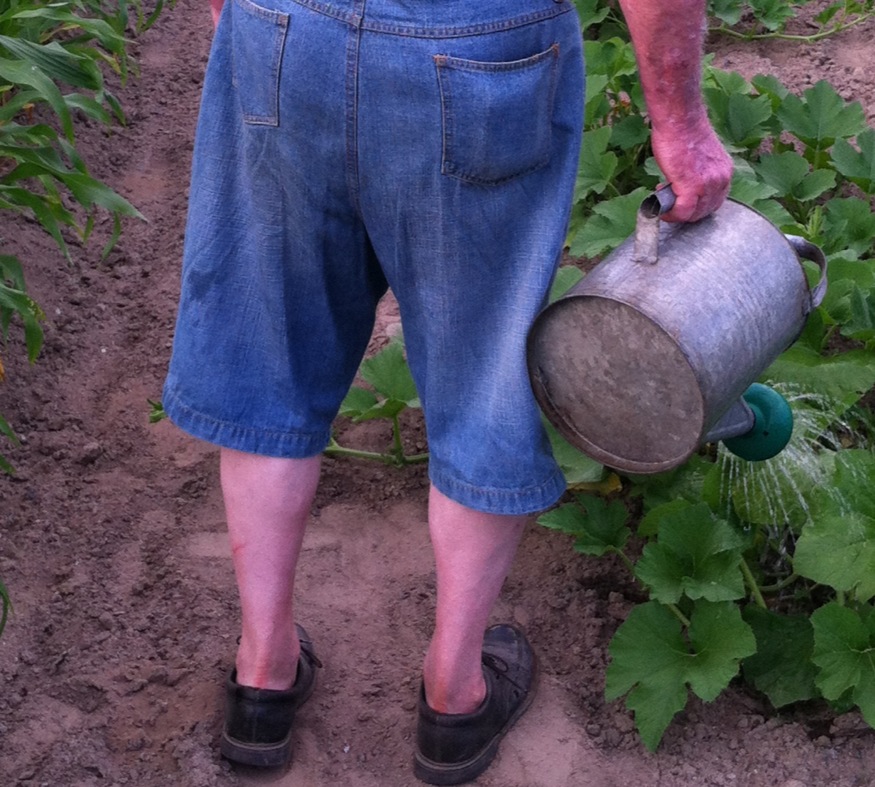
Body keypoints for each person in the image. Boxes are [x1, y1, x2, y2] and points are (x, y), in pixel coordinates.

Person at [163, 0, 732, 783]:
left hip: (286, 31)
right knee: (484, 375)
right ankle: (454, 697)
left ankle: (261, 677)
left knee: (272, 358)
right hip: (479, 55)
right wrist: (680, 124)